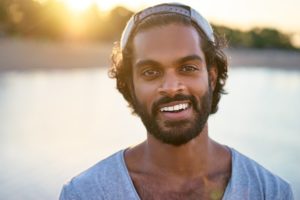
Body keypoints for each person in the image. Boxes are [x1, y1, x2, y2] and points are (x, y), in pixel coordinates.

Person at [59, 3, 294, 200]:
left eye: (188, 68)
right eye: (150, 72)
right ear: (130, 86)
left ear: (211, 77)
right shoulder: (86, 193)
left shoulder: (270, 192)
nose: (171, 87)